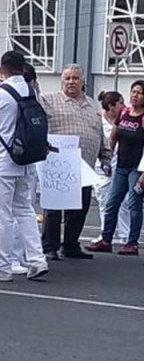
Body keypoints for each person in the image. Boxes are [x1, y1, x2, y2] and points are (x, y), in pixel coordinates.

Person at [0, 51, 49, 282]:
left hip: (1, 162)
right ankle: (37, 260)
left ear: (0, 69)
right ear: (23, 68)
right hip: (27, 161)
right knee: (24, 211)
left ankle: (0, 267)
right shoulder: (30, 91)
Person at [39, 65, 111, 260]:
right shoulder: (49, 100)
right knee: (54, 209)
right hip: (59, 163)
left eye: (75, 78)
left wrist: (105, 157)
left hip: (84, 165)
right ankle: (49, 247)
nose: (71, 81)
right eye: (67, 78)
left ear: (82, 81)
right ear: (62, 81)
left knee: (80, 208)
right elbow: (33, 110)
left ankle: (70, 245)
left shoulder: (92, 105)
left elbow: (100, 133)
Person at [85, 80, 144, 255]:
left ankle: (132, 242)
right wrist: (108, 157)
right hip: (120, 165)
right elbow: (114, 136)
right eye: (133, 92)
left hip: (136, 167)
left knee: (134, 204)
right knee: (112, 202)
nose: (135, 96)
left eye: (139, 93)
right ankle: (106, 239)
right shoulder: (124, 112)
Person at [90, 91, 130, 243]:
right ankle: (106, 232)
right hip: (102, 166)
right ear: (111, 106)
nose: (124, 106)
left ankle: (125, 234)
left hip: (121, 164)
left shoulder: (124, 120)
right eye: (120, 103)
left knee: (124, 200)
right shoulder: (98, 120)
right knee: (104, 199)